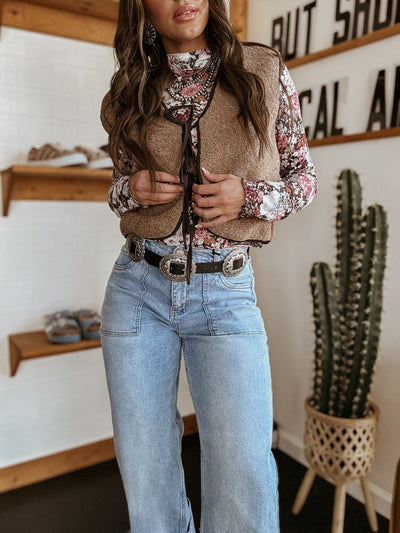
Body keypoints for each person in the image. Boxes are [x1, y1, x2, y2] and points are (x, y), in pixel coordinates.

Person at [99, 0, 317, 531]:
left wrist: (249, 197)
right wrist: (133, 189)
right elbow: (115, 191)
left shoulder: (262, 68)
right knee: (146, 479)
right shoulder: (129, 87)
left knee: (244, 478)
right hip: (138, 290)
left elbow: (303, 179)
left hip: (226, 292)